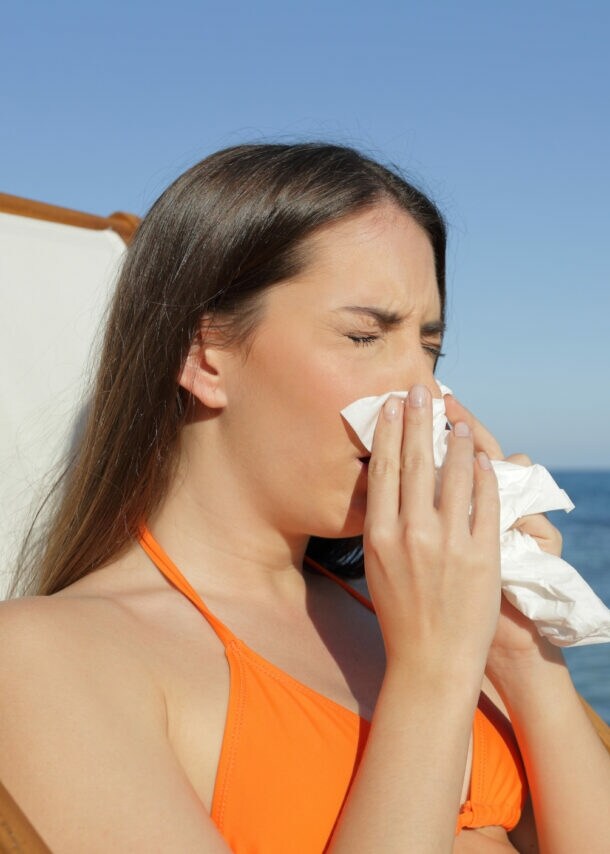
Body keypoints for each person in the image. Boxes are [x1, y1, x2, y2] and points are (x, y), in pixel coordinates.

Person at [1, 142, 608, 853]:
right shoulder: (48, 656)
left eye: (430, 348)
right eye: (364, 336)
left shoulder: (413, 613)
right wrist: (432, 675)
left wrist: (519, 649)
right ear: (204, 357)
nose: (426, 395)